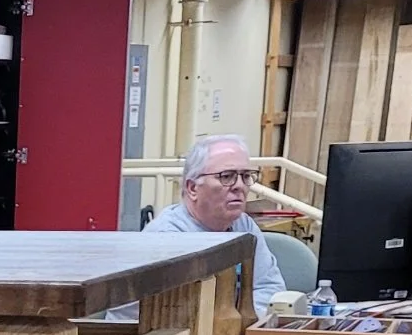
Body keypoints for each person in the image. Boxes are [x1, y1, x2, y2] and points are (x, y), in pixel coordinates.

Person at [115, 134, 285, 321]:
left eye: (245, 176)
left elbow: (269, 289)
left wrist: (236, 322)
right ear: (192, 188)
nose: (239, 186)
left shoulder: (244, 227)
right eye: (226, 176)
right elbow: (168, 318)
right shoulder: (166, 239)